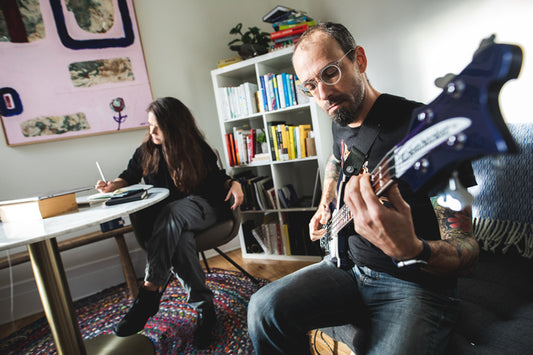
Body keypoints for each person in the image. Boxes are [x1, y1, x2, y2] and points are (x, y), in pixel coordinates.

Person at [247, 23, 479, 354]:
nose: (322, 95)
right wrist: (325, 203)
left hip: (414, 285)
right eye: (310, 86)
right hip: (346, 267)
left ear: (359, 60)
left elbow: (467, 249)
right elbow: (338, 159)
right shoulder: (340, 116)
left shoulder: (430, 131)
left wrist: (413, 250)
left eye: (329, 73)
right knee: (262, 308)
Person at [95, 97, 243, 348]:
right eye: (149, 125)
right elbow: (128, 177)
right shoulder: (146, 151)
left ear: (174, 126)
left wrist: (235, 183)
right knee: (181, 240)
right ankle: (206, 310)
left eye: (157, 126)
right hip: (173, 222)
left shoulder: (197, 147)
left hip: (204, 208)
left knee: (173, 211)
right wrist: (112, 186)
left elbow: (219, 179)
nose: (151, 131)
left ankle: (149, 291)